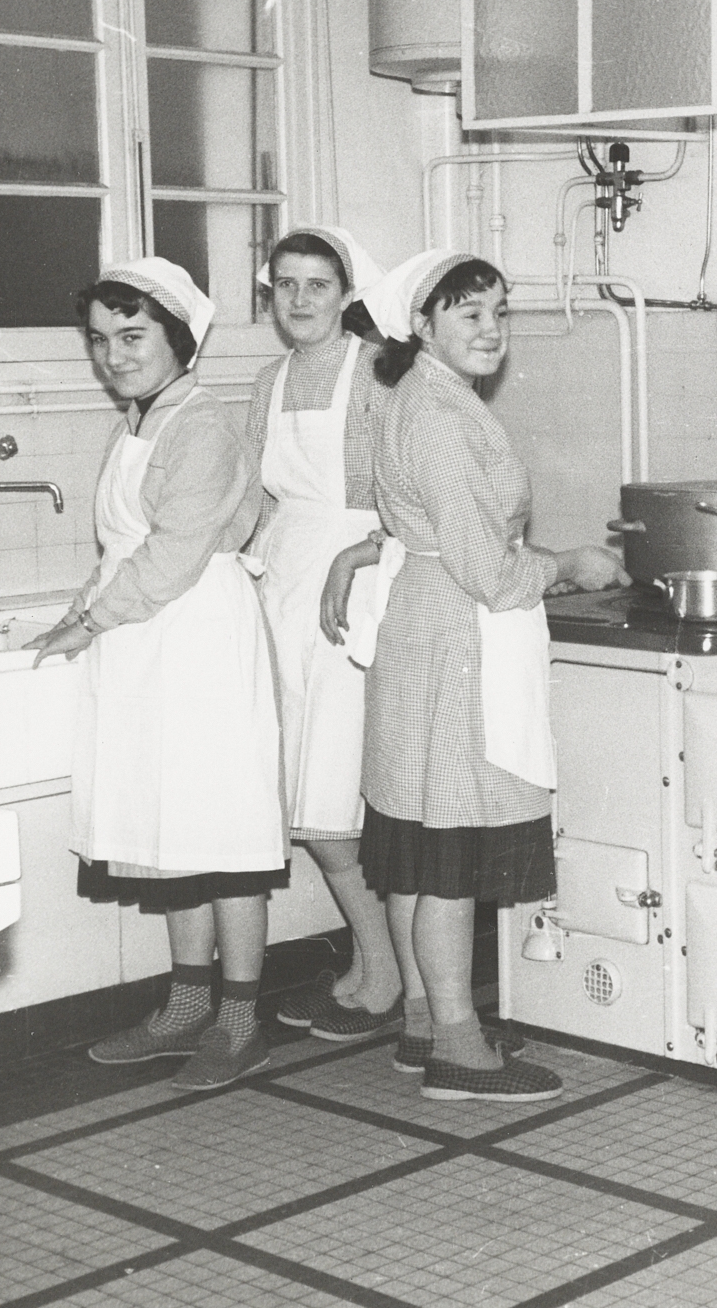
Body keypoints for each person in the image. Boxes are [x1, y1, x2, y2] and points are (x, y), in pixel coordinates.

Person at [357, 251, 628, 1103]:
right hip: (456, 639)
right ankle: (459, 1051)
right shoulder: (438, 416)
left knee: (416, 845)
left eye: (500, 313)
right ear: (425, 324)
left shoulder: (431, 399)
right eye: (469, 314)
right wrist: (570, 565)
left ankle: (420, 1025)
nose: (490, 331)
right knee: (446, 856)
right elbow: (484, 565)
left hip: (428, 630)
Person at [31, 258, 289, 1090]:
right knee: (171, 835)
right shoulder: (141, 419)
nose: (115, 355)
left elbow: (174, 555)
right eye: (101, 340)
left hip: (199, 640)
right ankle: (184, 1010)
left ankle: (241, 1020)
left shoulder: (203, 424)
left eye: (132, 336)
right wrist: (77, 613)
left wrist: (90, 623)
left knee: (224, 836)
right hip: (148, 639)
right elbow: (119, 549)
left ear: (178, 338)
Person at [239, 227, 414, 1044]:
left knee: (333, 798)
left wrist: (363, 551)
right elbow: (255, 501)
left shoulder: (380, 375)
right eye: (285, 285)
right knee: (304, 794)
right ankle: (377, 965)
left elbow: (416, 503)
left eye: (316, 284)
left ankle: (387, 974)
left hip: (358, 592)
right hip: (280, 582)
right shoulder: (267, 383)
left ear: (347, 293)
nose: (299, 300)